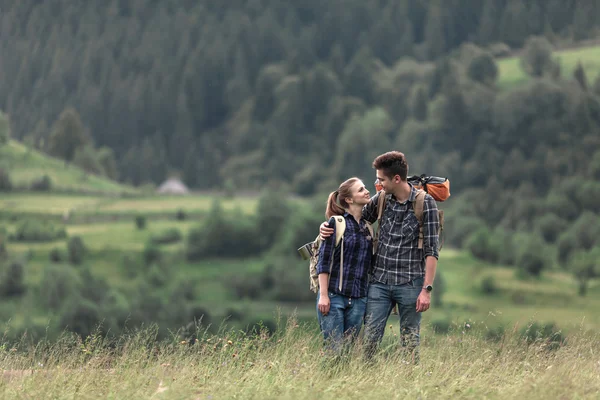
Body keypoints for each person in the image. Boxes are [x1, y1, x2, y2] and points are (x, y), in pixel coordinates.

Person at [320, 151, 439, 363]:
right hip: (379, 283)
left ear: (396, 178)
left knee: (410, 340)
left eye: (381, 179)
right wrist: (327, 225)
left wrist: (426, 290)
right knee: (369, 341)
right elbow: (354, 221)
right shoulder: (382, 199)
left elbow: (432, 249)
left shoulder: (425, 203)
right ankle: (368, 382)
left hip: (411, 283)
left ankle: (409, 383)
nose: (378, 184)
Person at [316, 177, 373, 355]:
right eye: (361, 189)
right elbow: (323, 262)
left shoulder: (368, 227)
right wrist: (323, 296)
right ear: (349, 199)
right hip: (334, 297)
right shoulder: (337, 223)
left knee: (348, 352)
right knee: (334, 350)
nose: (367, 191)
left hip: (358, 299)